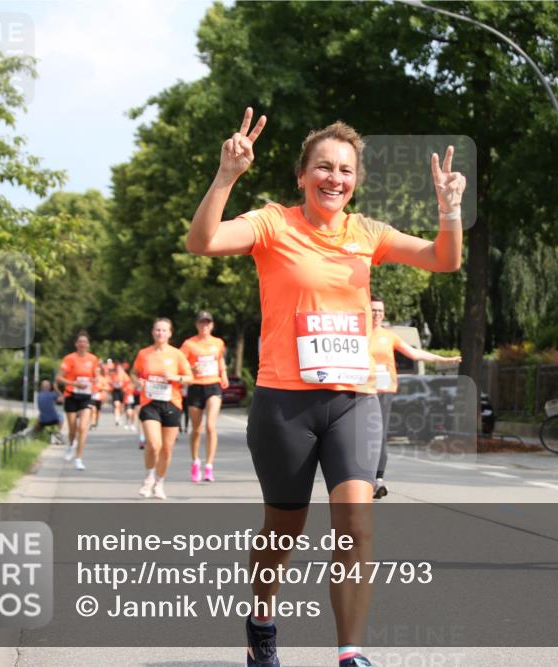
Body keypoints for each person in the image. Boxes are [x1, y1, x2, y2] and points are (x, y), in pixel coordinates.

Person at [186, 108, 464, 667]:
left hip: (352, 400)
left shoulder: (369, 233)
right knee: (282, 530)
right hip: (284, 402)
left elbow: (444, 259)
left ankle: (349, 653)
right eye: (323, 167)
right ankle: (261, 621)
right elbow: (202, 241)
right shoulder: (272, 224)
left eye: (345, 170)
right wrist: (226, 175)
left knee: (356, 524)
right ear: (302, 175)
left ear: (355, 180)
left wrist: (450, 211)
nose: (334, 178)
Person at [368, 295, 461, 499]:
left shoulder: (389, 336)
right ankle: (357, 479)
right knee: (358, 435)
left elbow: (415, 354)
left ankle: (378, 480)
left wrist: (444, 359)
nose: (376, 314)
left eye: (380, 311)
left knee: (379, 434)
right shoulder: (357, 335)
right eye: (373, 310)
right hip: (360, 390)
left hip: (384, 390)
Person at [132, 318, 193, 500]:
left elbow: (189, 377)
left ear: (170, 333)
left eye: (164, 330)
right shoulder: (144, 354)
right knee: (154, 444)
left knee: (167, 449)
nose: (160, 333)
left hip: (172, 403)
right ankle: (149, 477)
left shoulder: (177, 355)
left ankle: (159, 482)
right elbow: (133, 373)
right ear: (152, 332)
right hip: (149, 403)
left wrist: (175, 377)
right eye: (157, 330)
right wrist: (138, 382)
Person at [180, 311, 230, 483]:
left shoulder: (218, 343)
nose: (205, 325)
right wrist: (192, 369)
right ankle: (195, 461)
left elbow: (220, 360)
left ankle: (209, 466)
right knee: (196, 429)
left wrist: (224, 374)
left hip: (213, 385)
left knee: (210, 426)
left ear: (212, 325)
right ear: (197, 325)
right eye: (202, 322)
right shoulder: (189, 344)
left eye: (208, 322)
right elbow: (181, 363)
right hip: (195, 386)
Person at [55, 331, 99, 470]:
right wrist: (74, 384)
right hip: (71, 395)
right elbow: (58, 378)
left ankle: (79, 459)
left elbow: (96, 374)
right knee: (73, 428)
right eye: (80, 342)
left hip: (86, 396)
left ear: (88, 344)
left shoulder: (93, 359)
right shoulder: (69, 358)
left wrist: (96, 379)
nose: (82, 344)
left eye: (85, 342)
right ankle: (70, 445)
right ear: (76, 344)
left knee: (83, 428)